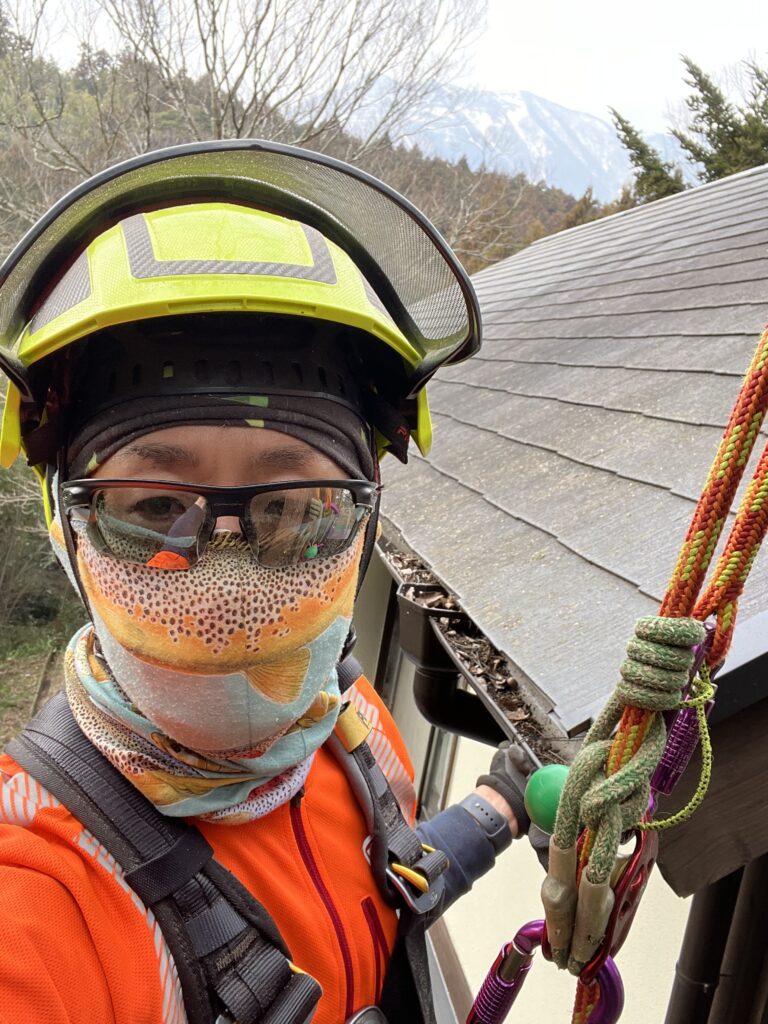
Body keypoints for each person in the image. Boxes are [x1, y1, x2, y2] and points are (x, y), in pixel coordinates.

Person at [0, 141, 538, 1024]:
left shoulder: (347, 733)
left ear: (364, 524)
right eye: (153, 506)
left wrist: (506, 800)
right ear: (66, 528)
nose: (224, 589)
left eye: (294, 509)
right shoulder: (39, 900)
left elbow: (390, 874)